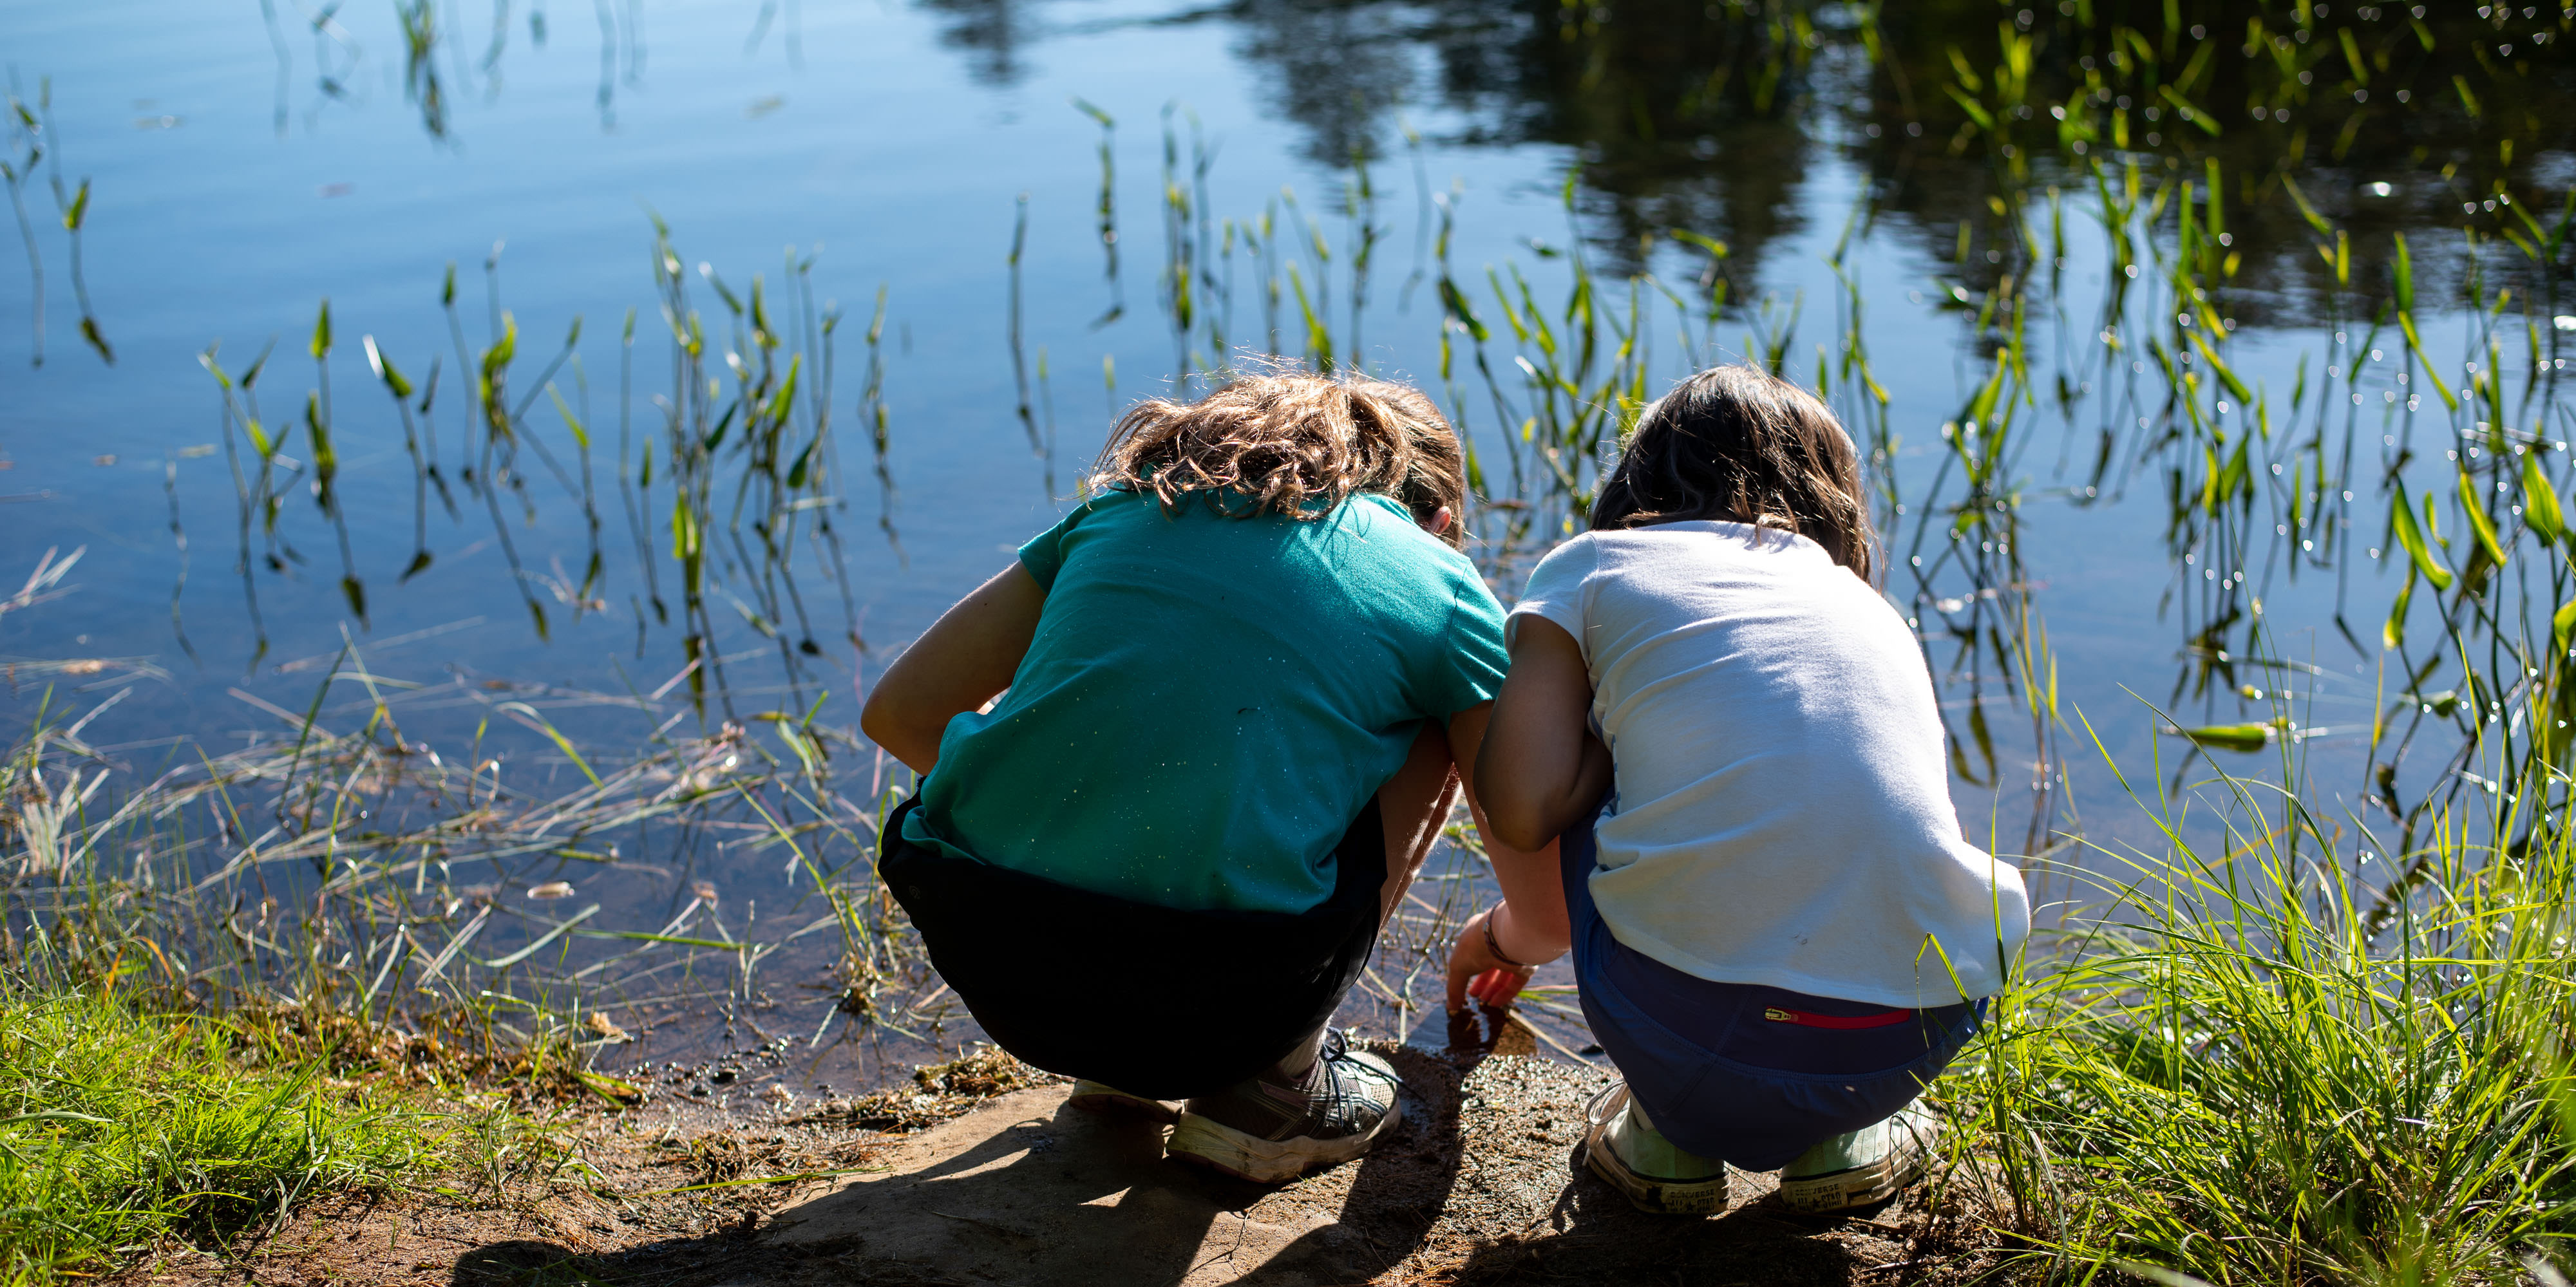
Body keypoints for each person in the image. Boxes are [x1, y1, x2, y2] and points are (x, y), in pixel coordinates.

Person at [861, 368, 1569, 1186]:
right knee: (1434, 716)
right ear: (1438, 522)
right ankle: (1279, 1082)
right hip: (1231, 999)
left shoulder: (1123, 510)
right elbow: (1545, 913)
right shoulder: (1435, 578)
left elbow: (898, 716)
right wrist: (1503, 941)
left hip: (992, 958)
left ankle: (1122, 1066)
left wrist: (1087, 806)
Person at [1452, 366, 2029, 1217]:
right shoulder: (1861, 603)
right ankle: (1847, 1138)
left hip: (1688, 1042)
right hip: (1903, 1040)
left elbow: (1521, 807)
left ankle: (1664, 1136)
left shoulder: (1594, 566)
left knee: (1601, 776)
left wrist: (1613, 735)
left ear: (1640, 477)